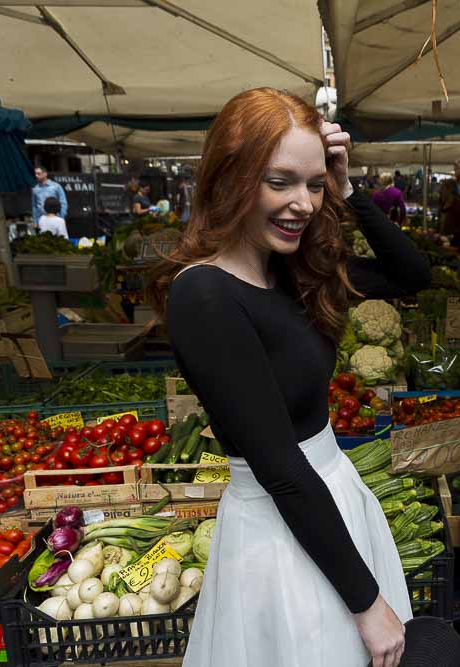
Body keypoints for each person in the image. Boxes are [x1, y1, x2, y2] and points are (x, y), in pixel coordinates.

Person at [148, 88, 430, 667]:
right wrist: (366, 603)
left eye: (315, 184)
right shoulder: (204, 295)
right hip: (282, 531)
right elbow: (281, 469)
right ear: (232, 178)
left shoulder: (296, 271)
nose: (303, 203)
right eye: (281, 182)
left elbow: (413, 274)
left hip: (334, 504)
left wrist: (350, 190)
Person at [438, 179, 460, 253]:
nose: (440, 191)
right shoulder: (443, 205)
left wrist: (450, 238)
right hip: (443, 247)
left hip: (455, 249)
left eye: (442, 189)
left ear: (449, 190)